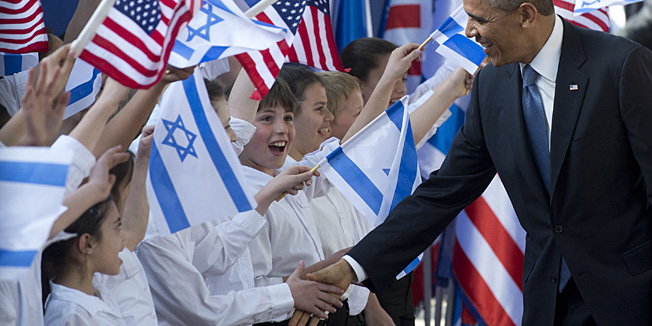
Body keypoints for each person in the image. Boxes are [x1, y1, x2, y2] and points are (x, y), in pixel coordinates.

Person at [308, 0, 652, 324]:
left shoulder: (620, 65)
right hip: (547, 302)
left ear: (527, 15)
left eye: (480, 19)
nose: (469, 31)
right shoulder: (492, 84)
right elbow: (443, 193)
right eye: (466, 15)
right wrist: (353, 267)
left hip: (631, 298)